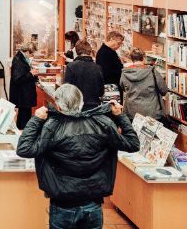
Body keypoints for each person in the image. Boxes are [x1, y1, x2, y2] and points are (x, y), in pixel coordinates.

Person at [16, 84, 140, 229]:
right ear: (81, 102)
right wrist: (120, 116)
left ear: (58, 104)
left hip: (62, 202)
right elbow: (133, 143)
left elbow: (24, 148)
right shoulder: (102, 124)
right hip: (93, 202)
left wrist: (36, 120)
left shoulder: (52, 126)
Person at [120, 48, 169, 120]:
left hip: (132, 111)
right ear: (144, 58)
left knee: (133, 131)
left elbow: (123, 87)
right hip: (152, 111)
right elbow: (163, 90)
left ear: (132, 59)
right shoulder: (152, 72)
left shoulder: (125, 72)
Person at [63, 40, 104, 111]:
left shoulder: (71, 66)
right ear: (90, 51)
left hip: (75, 107)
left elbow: (66, 89)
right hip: (93, 107)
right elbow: (101, 92)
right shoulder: (98, 67)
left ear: (76, 51)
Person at [10, 42, 38, 130]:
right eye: (32, 53)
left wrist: (32, 74)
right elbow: (17, 79)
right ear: (27, 52)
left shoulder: (21, 58)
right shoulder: (18, 60)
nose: (32, 55)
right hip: (22, 96)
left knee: (24, 117)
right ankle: (22, 137)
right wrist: (31, 73)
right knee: (24, 120)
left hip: (24, 96)